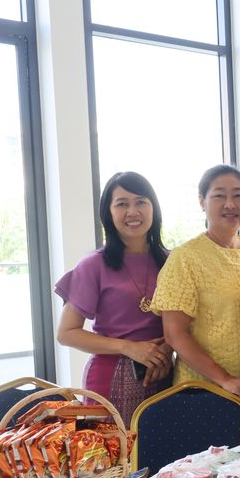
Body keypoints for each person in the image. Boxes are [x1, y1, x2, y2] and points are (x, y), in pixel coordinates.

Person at [151, 165, 240, 426]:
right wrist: (226, 379)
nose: (230, 204)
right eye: (219, 195)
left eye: (239, 195)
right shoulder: (185, 258)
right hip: (204, 392)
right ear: (202, 202)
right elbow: (174, 334)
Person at [55, 171, 172, 422]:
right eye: (122, 204)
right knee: (112, 448)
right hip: (109, 380)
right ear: (108, 213)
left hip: (163, 374)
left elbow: (186, 323)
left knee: (163, 447)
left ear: (154, 208)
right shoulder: (93, 265)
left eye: (141, 202)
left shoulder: (172, 262)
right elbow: (66, 333)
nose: (133, 211)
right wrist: (128, 347)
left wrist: (168, 348)